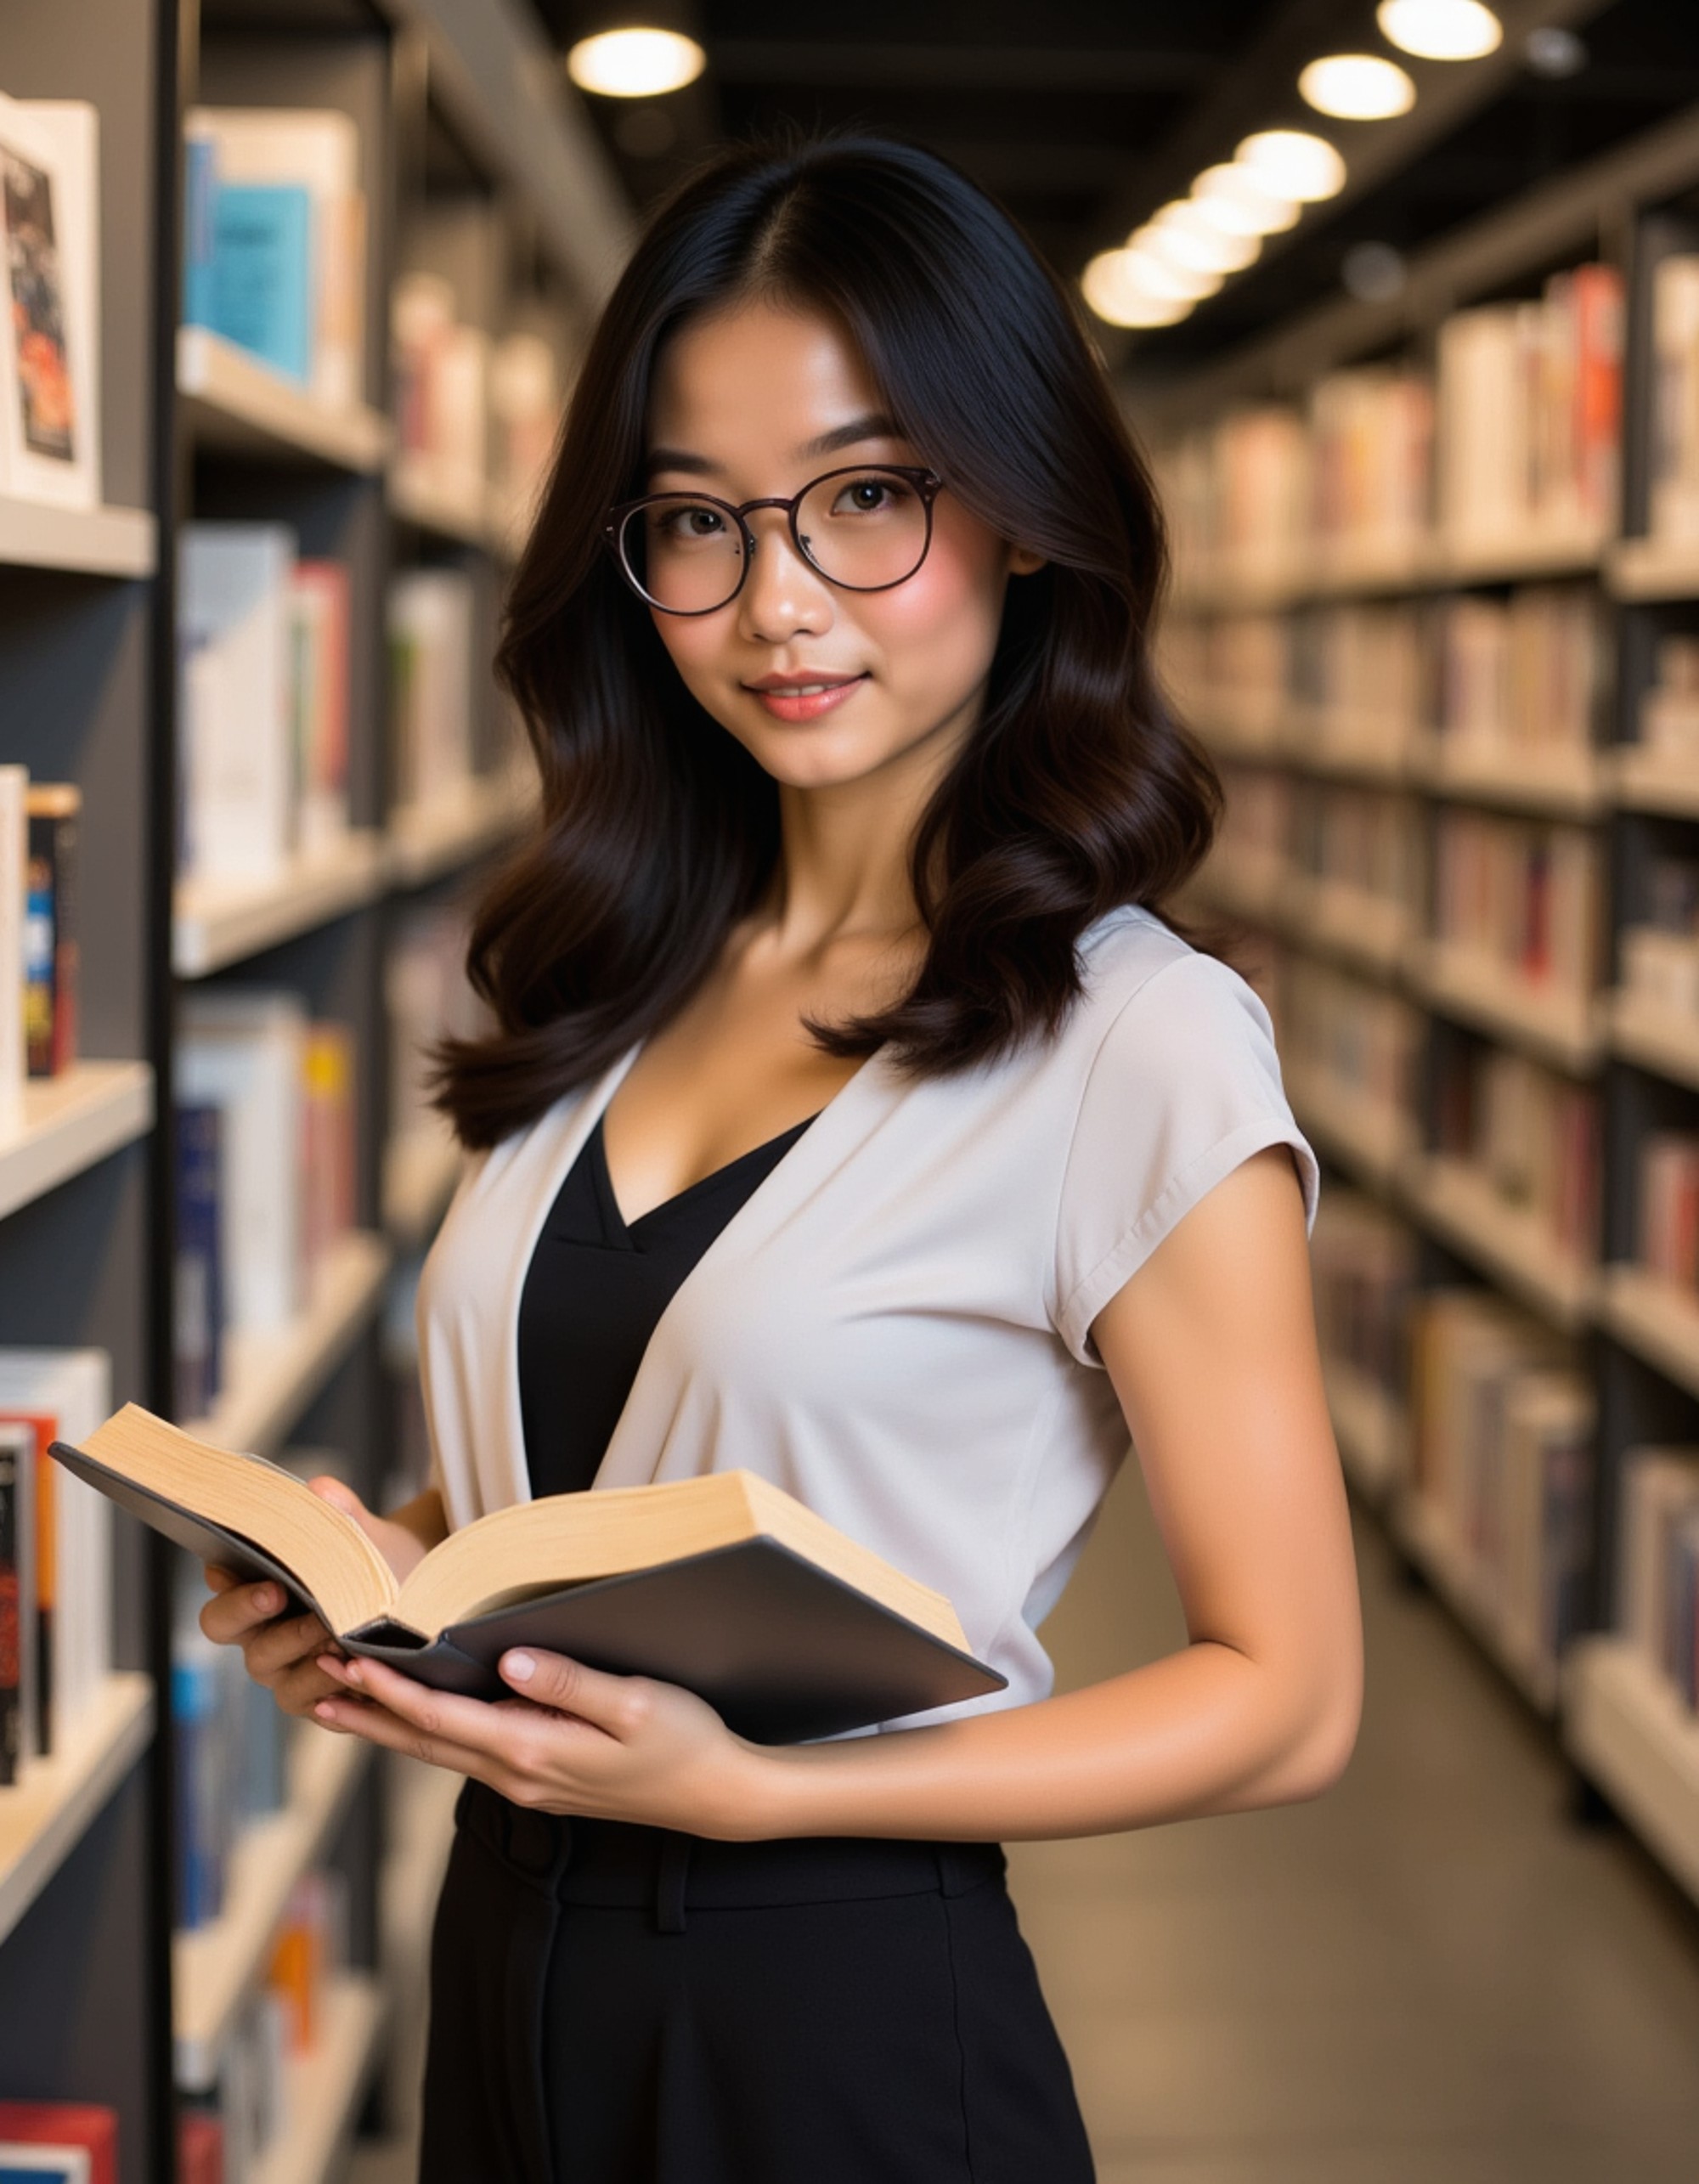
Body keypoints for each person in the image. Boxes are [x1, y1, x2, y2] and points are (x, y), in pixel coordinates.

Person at [200, 134, 1362, 2184]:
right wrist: (383, 1581)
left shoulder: (1136, 1038)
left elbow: (1287, 1694)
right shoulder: (619, 961)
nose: (775, 604)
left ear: (1018, 512)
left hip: (832, 2008)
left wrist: (764, 1797)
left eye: (865, 497)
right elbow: (603, 1493)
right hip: (507, 1957)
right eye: (696, 523)